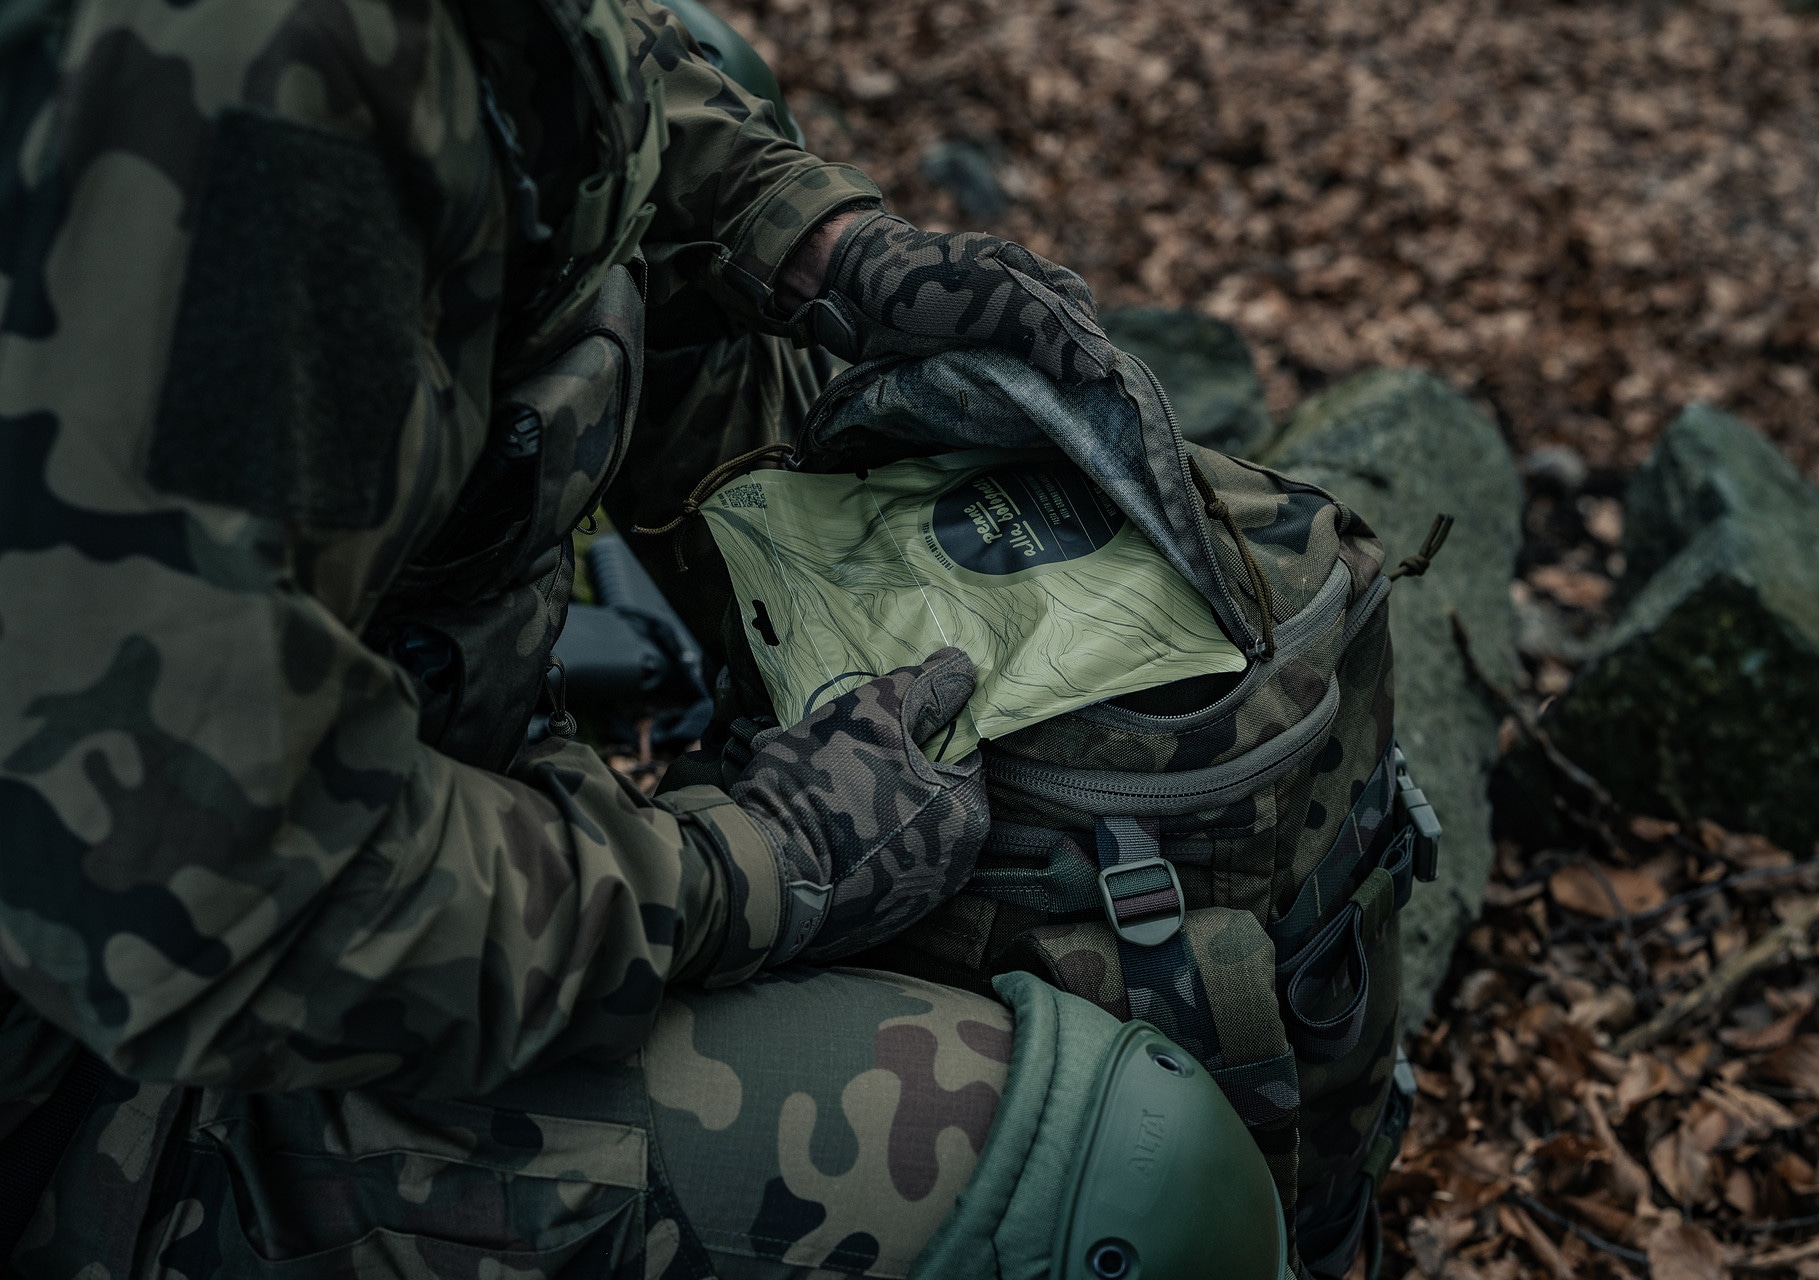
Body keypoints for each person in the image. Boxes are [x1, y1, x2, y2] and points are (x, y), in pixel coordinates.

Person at [0, 2, 1283, 1276]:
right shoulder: (226, 103)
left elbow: (567, 57)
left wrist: (817, 242)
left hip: (291, 824)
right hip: (111, 1071)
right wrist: (760, 858)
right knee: (1133, 1183)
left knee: (720, 64)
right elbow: (228, 890)